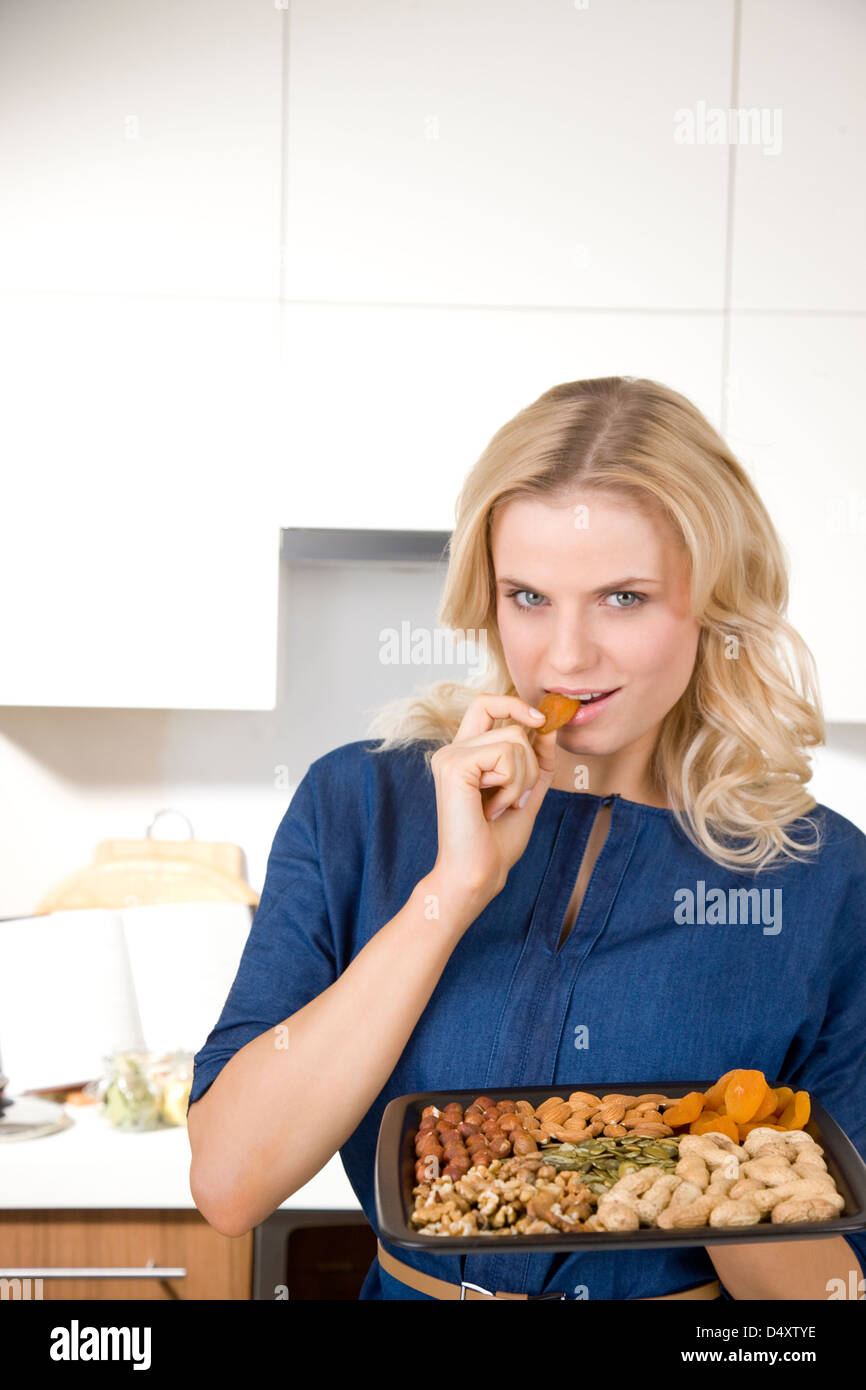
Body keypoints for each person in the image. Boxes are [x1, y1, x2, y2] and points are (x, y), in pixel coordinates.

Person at [187, 376, 866, 1300]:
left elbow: (837, 1290)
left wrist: (714, 1161)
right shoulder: (361, 804)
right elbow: (230, 1182)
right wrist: (450, 895)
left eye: (624, 597)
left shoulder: (819, 877)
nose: (566, 656)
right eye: (529, 596)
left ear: (714, 601)